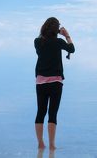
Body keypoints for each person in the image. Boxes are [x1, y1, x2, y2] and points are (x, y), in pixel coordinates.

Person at [34, 17, 75, 150]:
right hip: (56, 82)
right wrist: (67, 35)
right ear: (56, 29)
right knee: (53, 113)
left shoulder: (37, 41)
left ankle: (40, 143)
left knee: (41, 112)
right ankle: (52, 144)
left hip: (40, 81)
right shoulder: (59, 42)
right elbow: (72, 48)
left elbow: (42, 49)